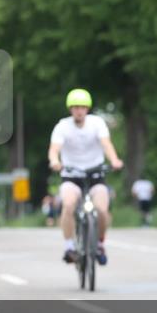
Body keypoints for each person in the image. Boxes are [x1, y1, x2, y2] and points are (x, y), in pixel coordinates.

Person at [48, 89, 123, 265]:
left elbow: (106, 144)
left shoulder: (97, 123)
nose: (79, 111)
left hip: (95, 173)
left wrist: (114, 160)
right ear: (70, 109)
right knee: (68, 204)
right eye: (75, 107)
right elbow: (54, 149)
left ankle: (99, 244)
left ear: (87, 109)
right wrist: (54, 161)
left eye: (82, 107)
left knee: (102, 210)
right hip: (71, 174)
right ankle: (69, 247)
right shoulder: (62, 126)